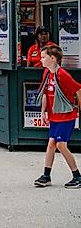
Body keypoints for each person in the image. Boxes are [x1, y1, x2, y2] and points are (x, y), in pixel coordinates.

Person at [34, 45, 81, 188]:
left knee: (60, 145)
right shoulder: (47, 73)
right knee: (51, 145)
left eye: (43, 57)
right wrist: (43, 111)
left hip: (66, 116)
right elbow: (45, 94)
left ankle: (77, 176)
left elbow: (78, 89)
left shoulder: (62, 74)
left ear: (53, 58)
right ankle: (46, 176)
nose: (41, 60)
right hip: (54, 117)